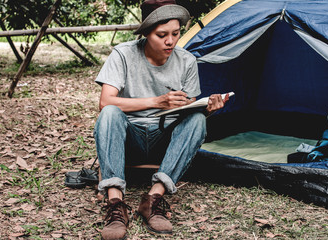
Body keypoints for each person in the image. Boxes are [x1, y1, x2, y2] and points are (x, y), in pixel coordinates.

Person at [93, 0, 229, 239]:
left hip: (164, 142)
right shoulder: (123, 54)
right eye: (162, 35)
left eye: (176, 34)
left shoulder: (186, 60)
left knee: (197, 119)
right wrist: (157, 101)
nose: (170, 41)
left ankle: (154, 199)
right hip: (128, 140)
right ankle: (115, 204)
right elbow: (106, 101)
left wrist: (207, 109)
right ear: (146, 34)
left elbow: (188, 109)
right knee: (110, 113)